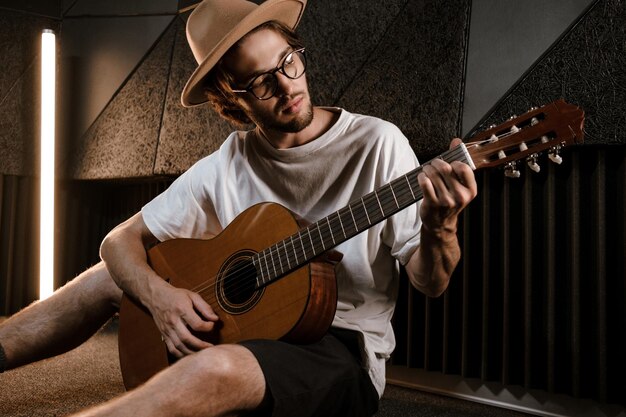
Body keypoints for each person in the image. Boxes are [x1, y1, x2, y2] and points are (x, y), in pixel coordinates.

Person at [0, 0, 477, 415]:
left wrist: (442, 228)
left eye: (289, 62)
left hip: (338, 349)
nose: (288, 85)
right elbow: (117, 241)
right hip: (246, 328)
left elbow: (431, 283)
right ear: (231, 101)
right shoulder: (229, 162)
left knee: (216, 367)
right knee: (110, 277)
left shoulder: (378, 143)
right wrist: (160, 299)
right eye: (261, 83)